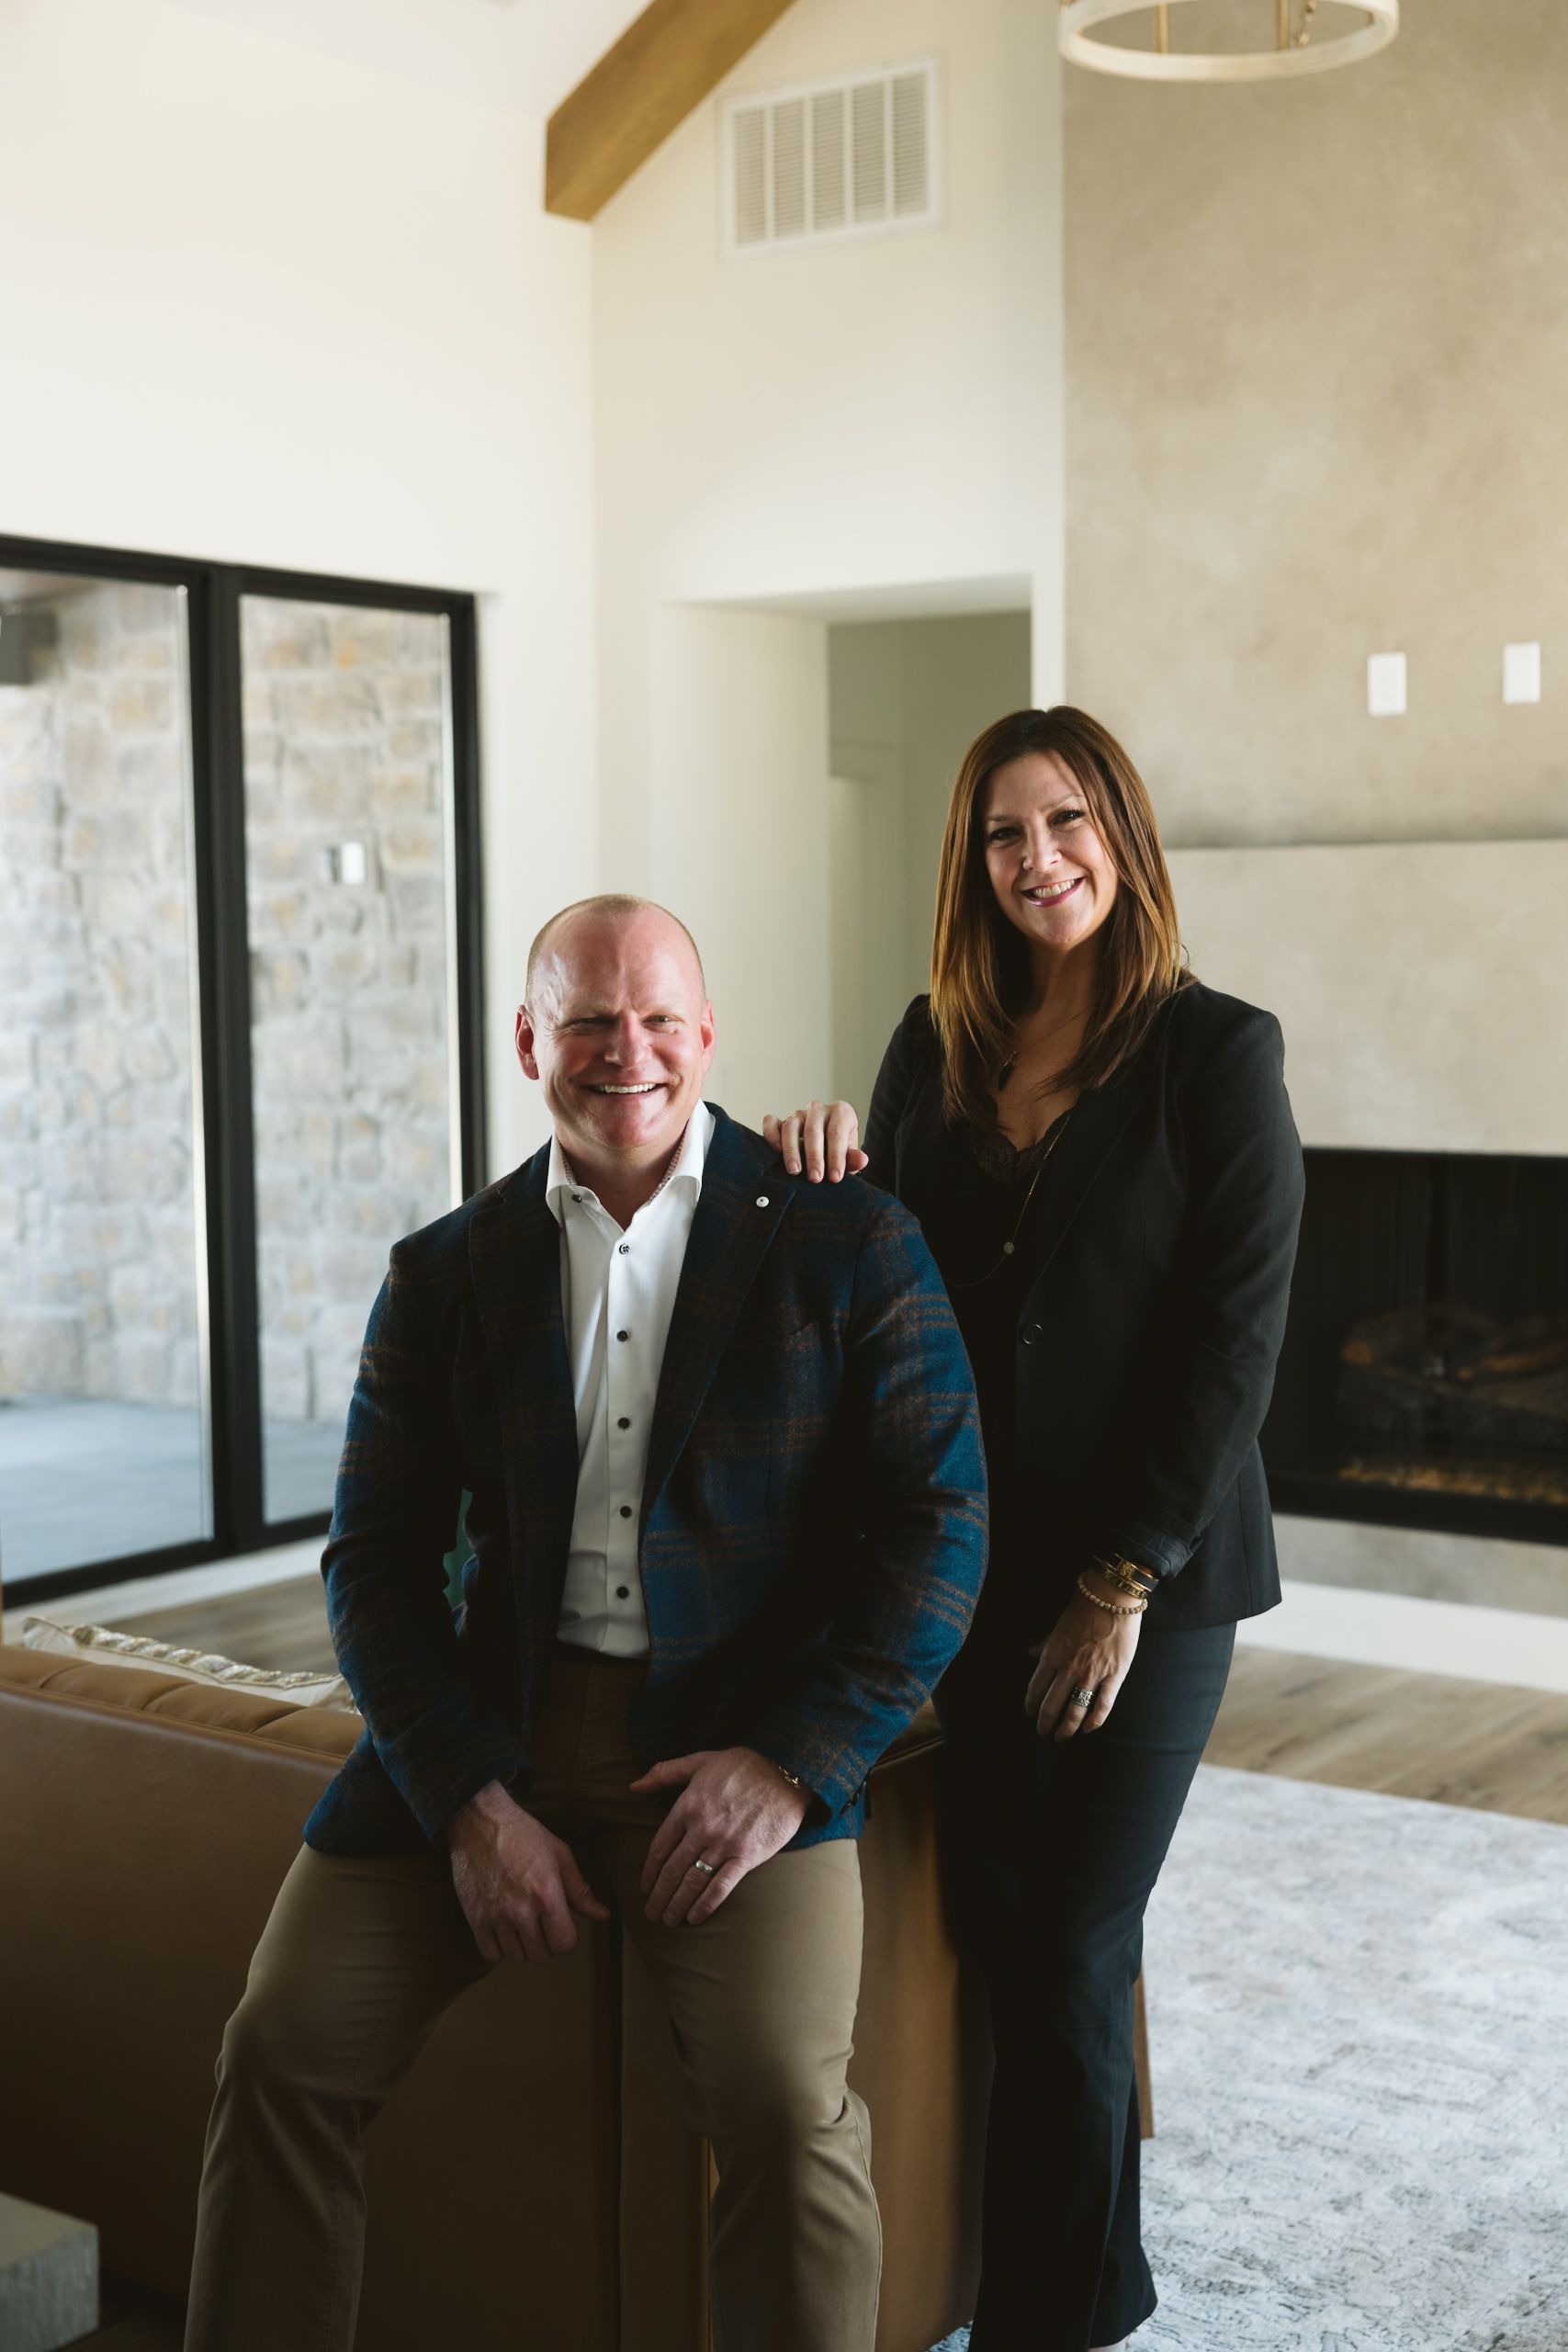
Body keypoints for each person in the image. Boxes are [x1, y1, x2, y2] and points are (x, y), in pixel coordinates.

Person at [184, 894, 987, 2352]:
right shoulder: (445, 1272)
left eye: (659, 1018)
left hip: (744, 1741)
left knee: (787, 2107)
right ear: (528, 1040)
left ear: (707, 1033)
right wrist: (469, 1800)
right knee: (279, 2047)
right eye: (590, 1021)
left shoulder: (847, 1236)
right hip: (492, 1727)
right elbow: (371, 1558)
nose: (630, 1052)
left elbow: (948, 1531)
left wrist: (793, 1765)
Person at [764, 707, 1304, 2352]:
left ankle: (1041, 2324)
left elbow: (1236, 1337)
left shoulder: (1220, 1052)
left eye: (1069, 822)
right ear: (971, 860)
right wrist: (818, 1171)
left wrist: (1120, 1582)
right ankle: (1101, 2280)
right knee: (1012, 1933)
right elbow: (873, 1284)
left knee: (1072, 1939)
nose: (1039, 858)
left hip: (1150, 1580)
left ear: (1124, 840)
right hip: (966, 1566)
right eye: (1005, 833)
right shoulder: (930, 1049)